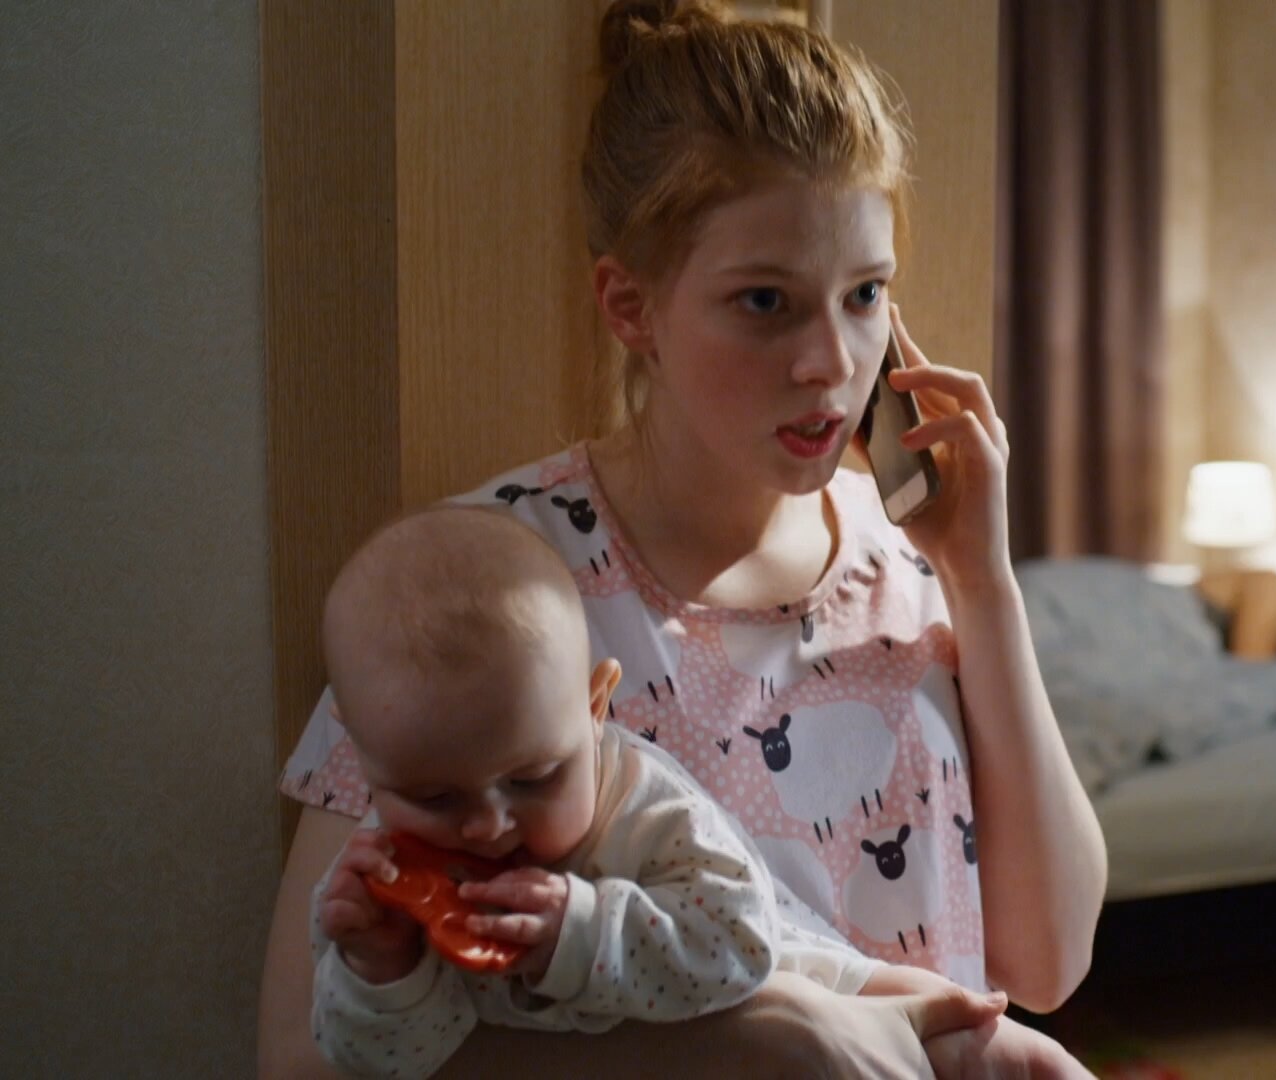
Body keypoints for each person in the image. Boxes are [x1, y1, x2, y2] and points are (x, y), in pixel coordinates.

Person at [257, 2, 1107, 1075]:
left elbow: (1047, 960)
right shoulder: (483, 592)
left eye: (864, 295)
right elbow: (301, 1059)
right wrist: (765, 1040)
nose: (831, 361)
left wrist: (981, 577)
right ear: (631, 306)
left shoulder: (915, 567)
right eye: (765, 302)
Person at [311, 506, 1039, 1078]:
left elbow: (743, 942)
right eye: (434, 799)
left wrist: (580, 934)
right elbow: (396, 1064)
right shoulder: (380, 888)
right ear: (362, 754)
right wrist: (382, 971)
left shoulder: (644, 807)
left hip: (820, 994)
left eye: (532, 779)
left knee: (985, 1051)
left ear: (596, 707)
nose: (485, 825)